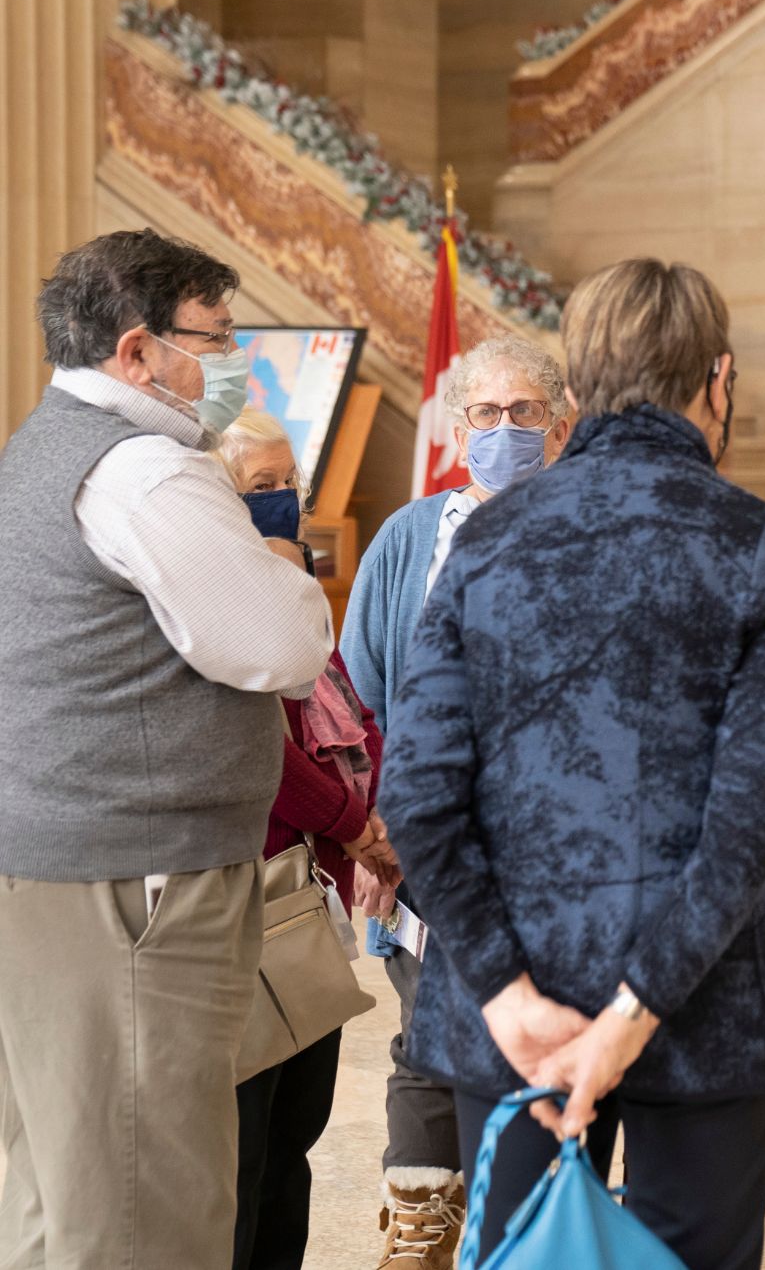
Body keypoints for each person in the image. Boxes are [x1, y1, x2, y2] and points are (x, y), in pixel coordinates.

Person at [378, 258, 765, 1269]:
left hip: (515, 1000)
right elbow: (747, 820)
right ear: (717, 379)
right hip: (698, 1000)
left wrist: (506, 995)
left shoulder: (484, 540)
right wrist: (633, 1011)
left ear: (573, 396)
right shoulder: (758, 544)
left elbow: (417, 795)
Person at [0, 229, 332, 1268]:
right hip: (138, 889)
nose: (233, 363)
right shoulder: (148, 469)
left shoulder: (40, 441)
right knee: (151, 1201)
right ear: (140, 351)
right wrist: (283, 555)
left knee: (63, 1188)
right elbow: (284, 646)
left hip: (60, 867)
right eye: (220, 338)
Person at [338, 333, 571, 1268]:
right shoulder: (408, 537)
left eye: (523, 414)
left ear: (560, 427)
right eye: (486, 413)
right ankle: (423, 1221)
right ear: (458, 423)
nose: (504, 430)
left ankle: (531, 1226)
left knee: (539, 1043)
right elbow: (356, 692)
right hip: (428, 842)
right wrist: (374, 824)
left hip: (552, 846)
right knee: (430, 1029)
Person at [211, 410, 401, 1270]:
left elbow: (350, 708)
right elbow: (265, 751)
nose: (284, 501)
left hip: (308, 905)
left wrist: (385, 807)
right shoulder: (209, 600)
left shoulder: (292, 586)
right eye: (261, 486)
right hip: (244, 895)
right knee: (240, 1147)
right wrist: (357, 824)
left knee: (296, 1133)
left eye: (290, 482)